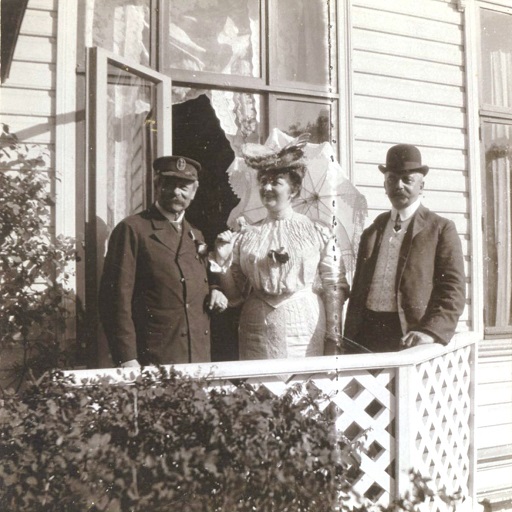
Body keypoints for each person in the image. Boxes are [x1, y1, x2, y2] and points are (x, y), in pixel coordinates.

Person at [210, 136, 350, 359]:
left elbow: (335, 283)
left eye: (276, 182)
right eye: (264, 181)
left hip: (304, 326)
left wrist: (334, 334)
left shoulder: (317, 232)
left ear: (293, 190)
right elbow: (234, 296)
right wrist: (222, 260)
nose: (266, 187)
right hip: (256, 326)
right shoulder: (247, 235)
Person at [99, 156, 228, 367]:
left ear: (194, 192)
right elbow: (115, 299)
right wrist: (127, 356)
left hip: (197, 355)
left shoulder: (196, 235)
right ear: (157, 186)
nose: (177, 192)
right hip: (154, 356)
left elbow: (196, 279)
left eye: (184, 187)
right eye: (170, 184)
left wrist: (214, 288)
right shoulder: (134, 230)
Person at [344, 144, 466, 353]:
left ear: (421, 185)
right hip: (366, 335)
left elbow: (453, 291)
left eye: (407, 180)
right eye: (392, 179)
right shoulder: (373, 230)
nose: (398, 186)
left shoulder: (440, 229)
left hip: (409, 336)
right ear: (384, 185)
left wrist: (430, 332)